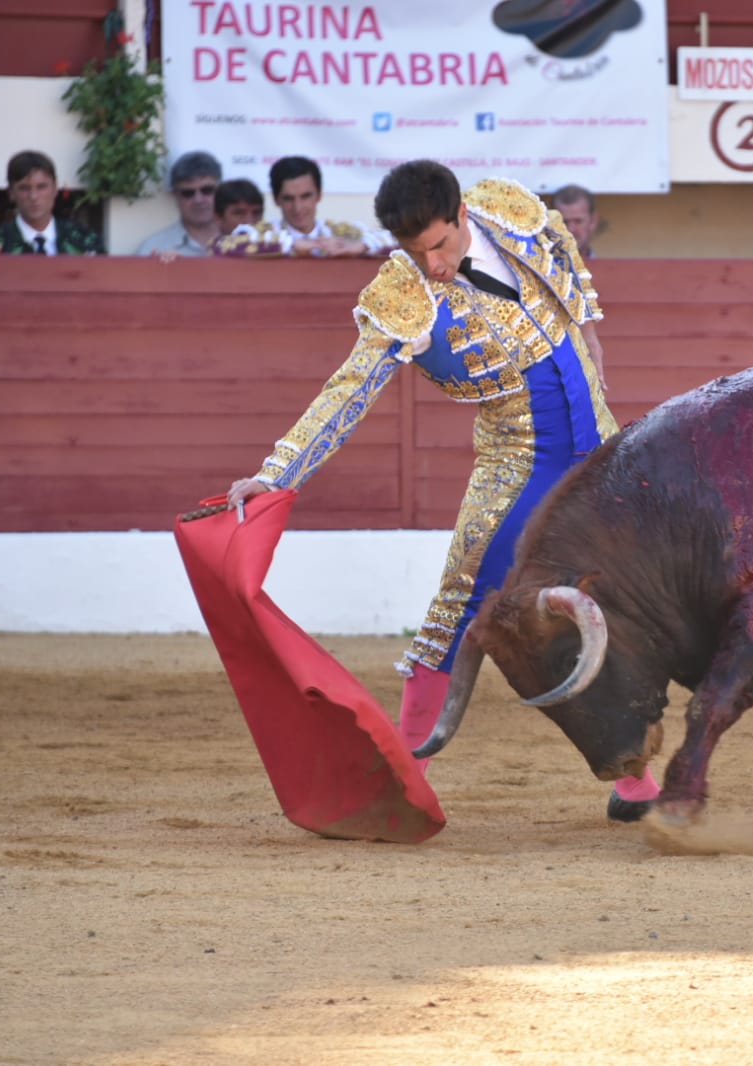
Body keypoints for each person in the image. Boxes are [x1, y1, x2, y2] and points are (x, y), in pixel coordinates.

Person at [222, 159, 658, 818]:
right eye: (413, 250)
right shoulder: (403, 294)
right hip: (519, 461)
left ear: (460, 216)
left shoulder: (506, 208)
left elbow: (562, 253)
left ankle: (635, 780)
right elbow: (349, 389)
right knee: (458, 606)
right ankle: (396, 771)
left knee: (623, 609)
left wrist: (588, 330)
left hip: (598, 448)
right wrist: (277, 473)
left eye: (438, 245)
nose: (431, 264)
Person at [213, 155, 395, 258]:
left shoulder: (342, 233)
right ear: (276, 199)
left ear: (319, 195)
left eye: (306, 197)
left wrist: (363, 245)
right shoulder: (261, 232)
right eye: (288, 198)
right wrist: (291, 244)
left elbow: (404, 243)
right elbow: (220, 245)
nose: (298, 208)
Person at [0, 150, 104, 263]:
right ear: (11, 193)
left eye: (41, 187)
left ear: (55, 188)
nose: (33, 196)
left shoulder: (84, 240)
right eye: (24, 188)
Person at [137, 151, 222, 257]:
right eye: (188, 193)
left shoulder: (244, 243)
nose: (198, 200)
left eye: (207, 190)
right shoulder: (154, 247)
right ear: (175, 196)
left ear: (221, 191)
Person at [552, 183, 599, 258]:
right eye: (564, 222)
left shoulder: (609, 267)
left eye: (578, 221)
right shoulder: (535, 268)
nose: (571, 229)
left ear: (593, 221)